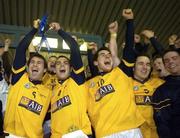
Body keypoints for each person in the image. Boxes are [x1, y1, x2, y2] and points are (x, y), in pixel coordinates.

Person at [86, 9, 144, 138]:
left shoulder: (122, 72)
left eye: (109, 55)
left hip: (131, 130)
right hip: (105, 133)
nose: (107, 57)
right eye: (102, 55)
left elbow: (129, 47)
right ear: (95, 63)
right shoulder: (88, 84)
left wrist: (129, 21)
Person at [3, 19, 51, 137]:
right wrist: (34, 29)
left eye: (39, 63)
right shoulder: (19, 78)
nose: (35, 64)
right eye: (32, 62)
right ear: (28, 67)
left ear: (45, 70)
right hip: (12, 134)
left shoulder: (49, 92)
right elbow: (20, 49)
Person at [49, 22, 92, 138]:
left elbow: (74, 47)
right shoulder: (51, 91)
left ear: (71, 68)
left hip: (79, 133)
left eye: (65, 63)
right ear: (54, 70)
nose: (62, 65)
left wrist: (60, 31)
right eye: (58, 63)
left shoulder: (77, 79)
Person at [152, 48, 180, 138]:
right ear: (165, 66)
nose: (171, 62)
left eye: (174, 58)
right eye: (166, 61)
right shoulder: (161, 92)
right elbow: (162, 124)